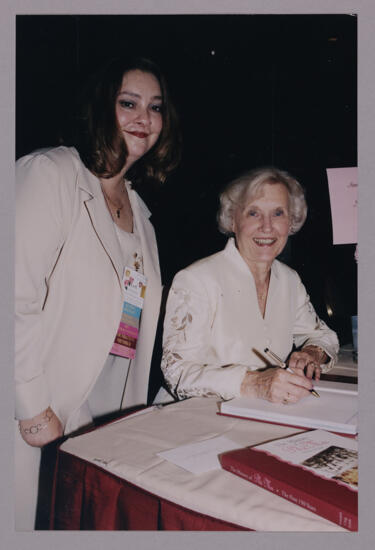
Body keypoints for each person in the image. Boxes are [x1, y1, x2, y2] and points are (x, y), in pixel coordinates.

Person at [15, 56, 181, 530]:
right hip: (39, 402)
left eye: (156, 107)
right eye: (128, 103)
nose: (143, 119)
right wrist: (31, 409)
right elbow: (15, 296)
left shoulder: (142, 212)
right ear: (99, 108)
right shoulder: (49, 173)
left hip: (107, 404)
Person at [161, 167, 339, 404]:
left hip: (269, 414)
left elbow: (323, 336)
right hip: (199, 418)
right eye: (253, 213)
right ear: (232, 220)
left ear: (292, 221)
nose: (267, 227)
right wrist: (253, 383)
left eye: (278, 213)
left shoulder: (289, 280)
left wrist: (311, 353)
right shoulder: (197, 279)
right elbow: (176, 373)